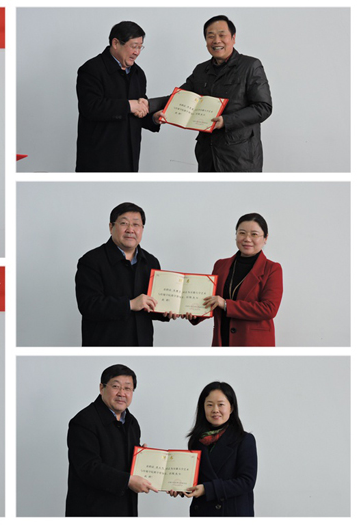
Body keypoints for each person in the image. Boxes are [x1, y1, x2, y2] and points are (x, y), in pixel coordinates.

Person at [155, 15, 272, 172]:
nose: (216, 41)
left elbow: (263, 107)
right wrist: (149, 105)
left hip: (240, 158)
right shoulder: (201, 70)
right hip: (207, 156)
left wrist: (226, 121)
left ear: (233, 38)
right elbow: (178, 98)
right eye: (210, 36)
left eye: (222, 35)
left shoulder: (250, 66)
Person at [75, 202, 173, 346]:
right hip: (104, 345)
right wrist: (130, 304)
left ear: (142, 229)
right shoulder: (91, 260)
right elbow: (89, 305)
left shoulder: (151, 262)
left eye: (136, 224)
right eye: (124, 223)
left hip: (142, 345)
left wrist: (167, 310)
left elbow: (150, 306)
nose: (130, 229)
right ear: (111, 227)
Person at [66, 364, 157, 516]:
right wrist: (128, 481)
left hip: (126, 509)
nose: (122, 393)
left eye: (127, 388)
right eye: (116, 386)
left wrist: (142, 460)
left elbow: (122, 462)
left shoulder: (132, 423)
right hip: (92, 511)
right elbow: (89, 468)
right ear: (101, 388)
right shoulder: (84, 421)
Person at [185, 213, 282, 346]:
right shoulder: (220, 265)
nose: (247, 239)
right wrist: (191, 311)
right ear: (236, 235)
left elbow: (269, 309)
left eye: (254, 234)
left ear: (265, 238)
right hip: (222, 341)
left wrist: (226, 304)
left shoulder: (272, 269)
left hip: (253, 344)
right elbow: (212, 301)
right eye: (242, 233)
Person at [76, 21, 160, 172]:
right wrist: (129, 105)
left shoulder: (138, 74)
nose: (137, 52)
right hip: (98, 159)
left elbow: (138, 111)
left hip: (129, 158)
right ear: (115, 43)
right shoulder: (91, 69)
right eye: (134, 46)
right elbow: (90, 107)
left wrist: (153, 118)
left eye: (140, 47)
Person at [168, 381, 257, 516]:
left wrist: (207, 489)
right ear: (203, 408)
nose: (215, 410)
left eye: (221, 404)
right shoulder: (197, 441)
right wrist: (180, 486)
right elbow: (194, 479)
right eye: (209, 405)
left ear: (231, 408)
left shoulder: (244, 440)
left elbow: (246, 482)